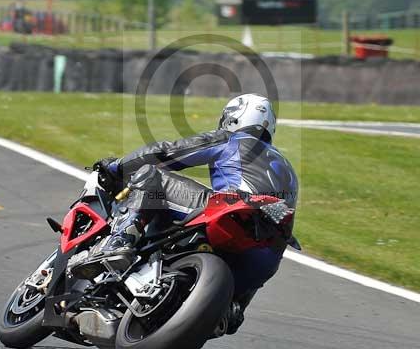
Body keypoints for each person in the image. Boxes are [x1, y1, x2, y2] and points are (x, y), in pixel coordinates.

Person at [90, 93, 298, 333]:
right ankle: (233, 307)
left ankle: (121, 239)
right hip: (267, 254)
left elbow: (168, 153)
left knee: (152, 175)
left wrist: (117, 167)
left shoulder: (232, 139)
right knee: (262, 249)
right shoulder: (289, 169)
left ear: (232, 118)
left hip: (232, 214)